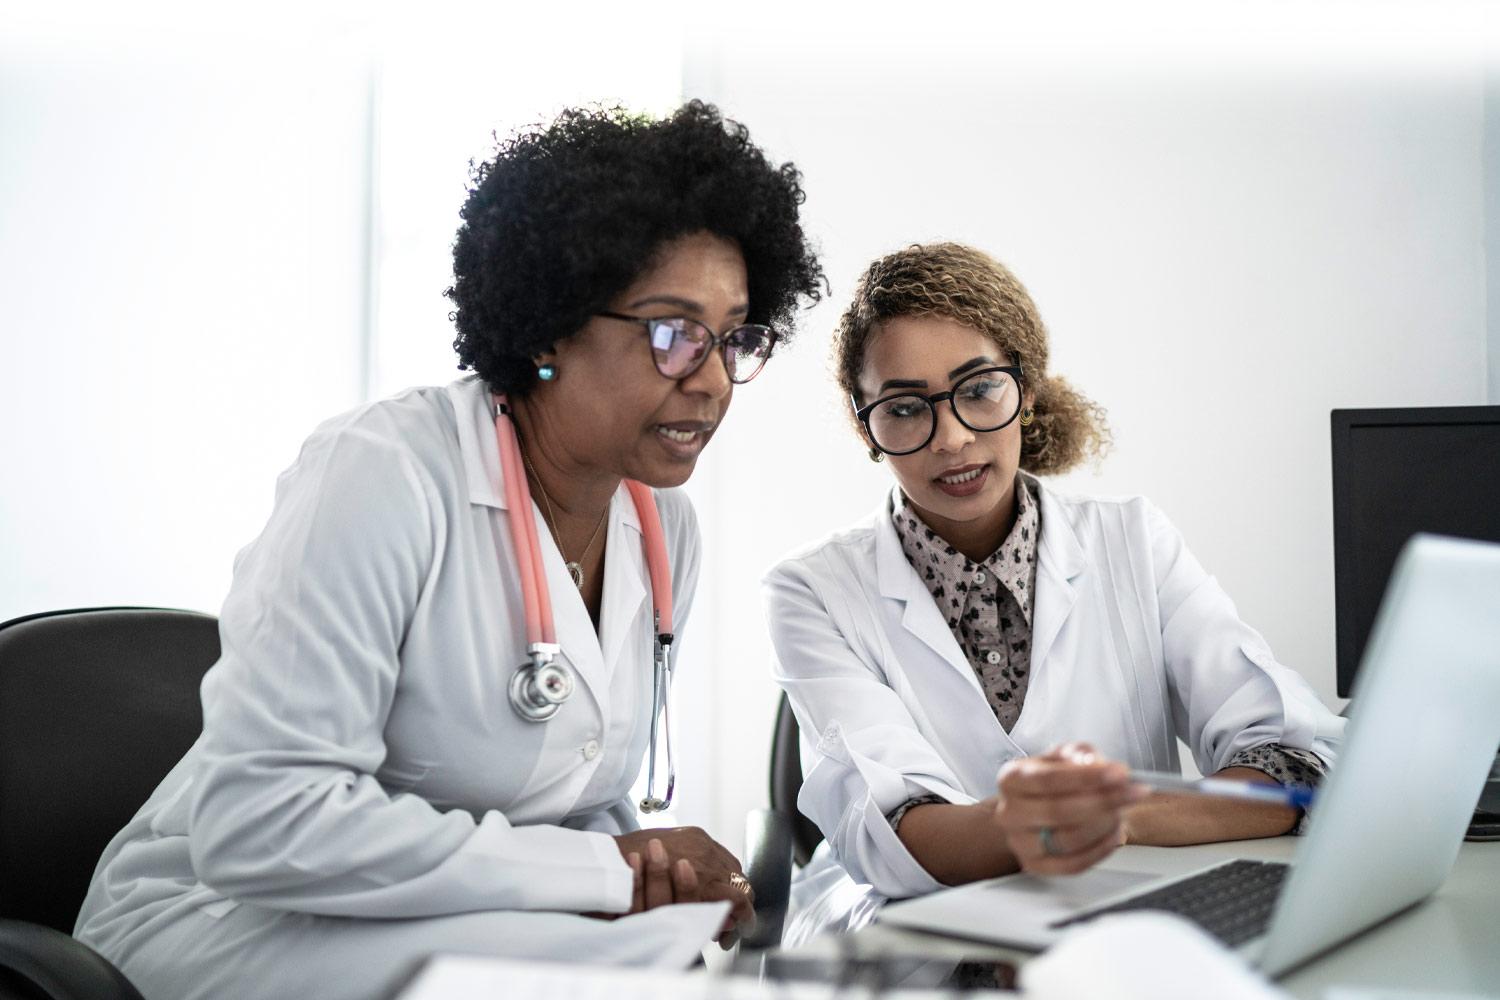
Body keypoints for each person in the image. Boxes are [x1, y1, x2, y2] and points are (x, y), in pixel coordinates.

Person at [75, 102, 824, 1000]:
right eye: (672, 333)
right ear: (548, 326)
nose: (709, 378)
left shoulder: (663, 529)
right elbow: (263, 826)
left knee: (657, 956)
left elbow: (576, 796)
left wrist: (650, 872)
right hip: (223, 919)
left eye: (734, 337)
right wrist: (600, 876)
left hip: (454, 918)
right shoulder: (384, 474)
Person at [762, 242, 1342, 940]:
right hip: (907, 939)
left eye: (978, 390)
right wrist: (1060, 824)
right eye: (907, 407)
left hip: (1119, 929)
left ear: (1026, 388)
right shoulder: (810, 589)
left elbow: (1293, 762)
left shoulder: (1133, 541)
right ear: (867, 427)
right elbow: (889, 832)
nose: (950, 438)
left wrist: (1118, 819)